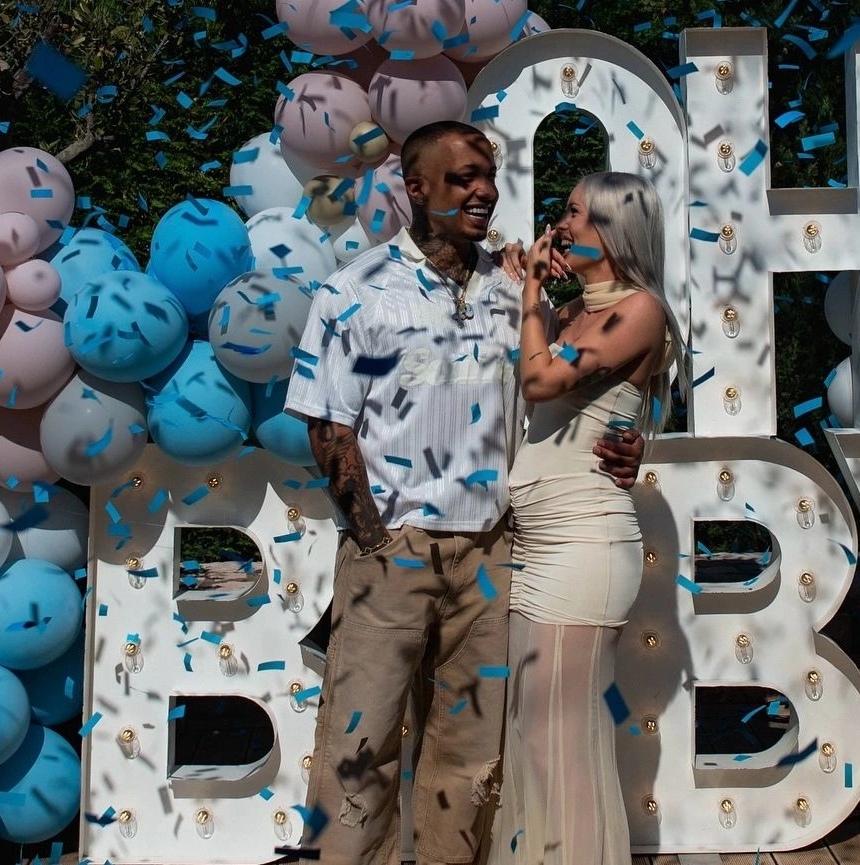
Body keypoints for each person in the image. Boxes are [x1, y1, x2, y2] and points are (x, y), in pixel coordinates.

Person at [282, 121, 645, 865]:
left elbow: (585, 388)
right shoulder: (354, 291)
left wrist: (628, 439)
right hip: (393, 551)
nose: (483, 191)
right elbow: (328, 427)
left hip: (492, 554)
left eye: (489, 176)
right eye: (462, 179)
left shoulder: (515, 289)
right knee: (360, 749)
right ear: (416, 189)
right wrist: (375, 541)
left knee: (470, 760)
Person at [489, 172, 687, 865]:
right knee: (534, 737)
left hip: (584, 544)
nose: (561, 224)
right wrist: (532, 294)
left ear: (612, 227)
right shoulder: (572, 309)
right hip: (537, 544)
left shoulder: (641, 310)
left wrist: (531, 295)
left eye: (575, 213)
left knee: (560, 742)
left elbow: (542, 380)